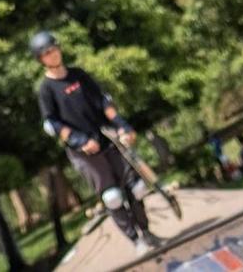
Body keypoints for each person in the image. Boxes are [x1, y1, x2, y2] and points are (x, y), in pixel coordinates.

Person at [30, 31, 156, 254]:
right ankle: (136, 240)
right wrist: (80, 141)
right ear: (41, 59)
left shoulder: (78, 74)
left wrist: (122, 126)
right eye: (47, 53)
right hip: (83, 151)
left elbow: (103, 101)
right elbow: (52, 125)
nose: (53, 54)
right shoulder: (46, 90)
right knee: (113, 197)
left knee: (135, 188)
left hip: (107, 138)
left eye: (54, 48)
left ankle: (146, 231)